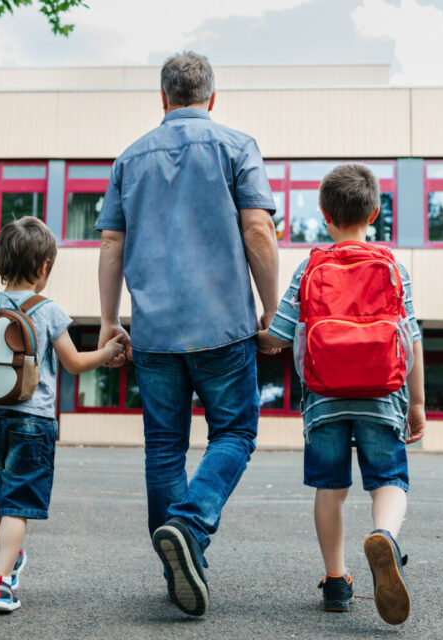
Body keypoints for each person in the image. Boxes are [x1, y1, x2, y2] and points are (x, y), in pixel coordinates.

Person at [95, 51, 279, 617]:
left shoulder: (129, 158)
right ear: (212, 98)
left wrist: (109, 321)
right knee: (235, 434)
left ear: (163, 99)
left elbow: (109, 244)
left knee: (164, 449)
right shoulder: (236, 146)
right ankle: (190, 526)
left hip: (153, 333)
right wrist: (273, 312)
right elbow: (257, 230)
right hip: (222, 327)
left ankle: (180, 559)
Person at [257, 164, 426, 626]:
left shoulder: (311, 266)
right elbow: (410, 336)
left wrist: (256, 332)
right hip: (383, 395)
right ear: (374, 212)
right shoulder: (392, 265)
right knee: (389, 480)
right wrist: (416, 404)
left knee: (330, 490)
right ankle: (385, 537)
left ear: (324, 214)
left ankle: (336, 581)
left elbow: (278, 335)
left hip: (324, 400)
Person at [0, 216, 125, 613]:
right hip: (31, 419)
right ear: (44, 268)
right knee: (18, 502)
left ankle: (7, 560)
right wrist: (108, 353)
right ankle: (1, 584)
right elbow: (73, 363)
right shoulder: (48, 310)